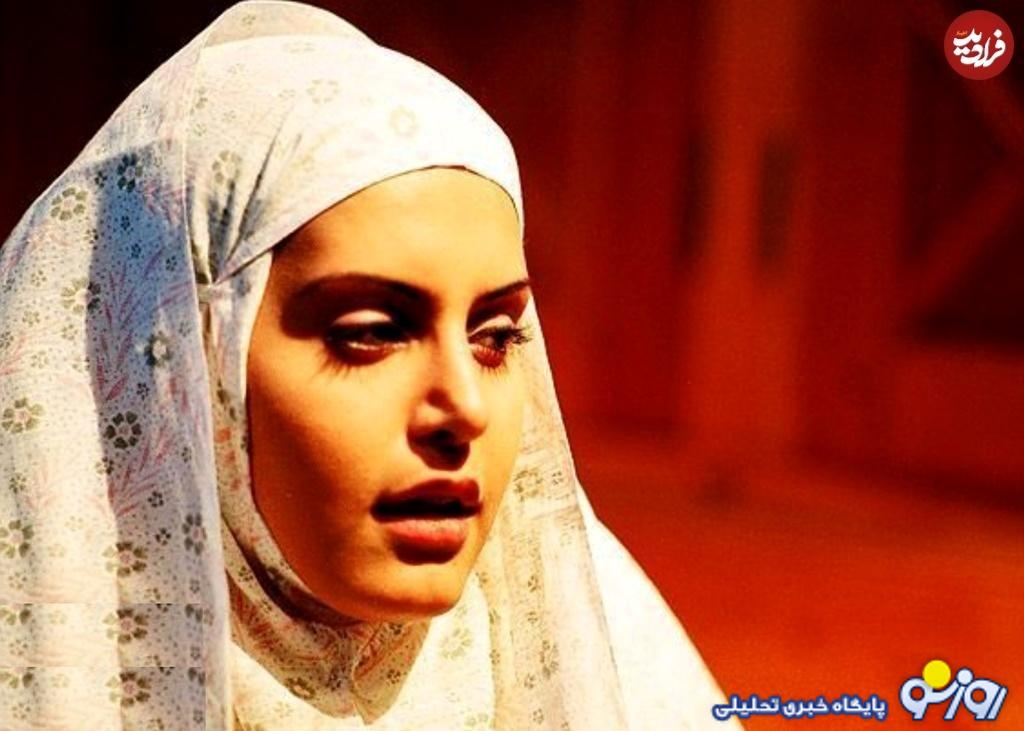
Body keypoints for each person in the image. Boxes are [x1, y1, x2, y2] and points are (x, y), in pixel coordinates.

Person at [0, 2, 735, 728]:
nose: (465, 407)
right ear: (179, 359)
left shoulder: (600, 657)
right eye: (371, 334)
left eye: (496, 338)